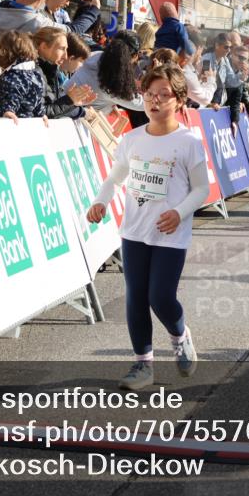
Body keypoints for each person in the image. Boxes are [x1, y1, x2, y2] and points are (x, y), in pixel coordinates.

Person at [87, 64, 210, 390]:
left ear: (179, 101)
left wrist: (179, 212)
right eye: (149, 94)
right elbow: (115, 178)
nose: (154, 101)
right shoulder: (131, 139)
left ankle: (180, 335)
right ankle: (143, 365)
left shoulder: (187, 142)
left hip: (171, 234)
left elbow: (201, 188)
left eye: (164, 95)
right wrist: (100, 200)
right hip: (134, 232)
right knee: (136, 298)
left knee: (160, 297)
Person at [71, 30, 147, 116]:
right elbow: (144, 104)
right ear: (135, 56)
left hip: (66, 106)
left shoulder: (96, 55)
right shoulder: (114, 83)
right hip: (76, 119)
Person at [32, 27, 96, 120]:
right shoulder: (33, 72)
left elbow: (52, 107)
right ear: (43, 46)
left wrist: (73, 102)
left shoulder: (49, 71)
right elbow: (41, 113)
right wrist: (70, 101)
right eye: (62, 49)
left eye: (66, 50)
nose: (66, 56)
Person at [0, 31, 48, 125]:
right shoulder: (35, 74)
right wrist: (41, 113)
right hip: (26, 122)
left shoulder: (13, 76)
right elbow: (37, 100)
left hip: (9, 124)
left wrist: (8, 110)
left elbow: (12, 95)